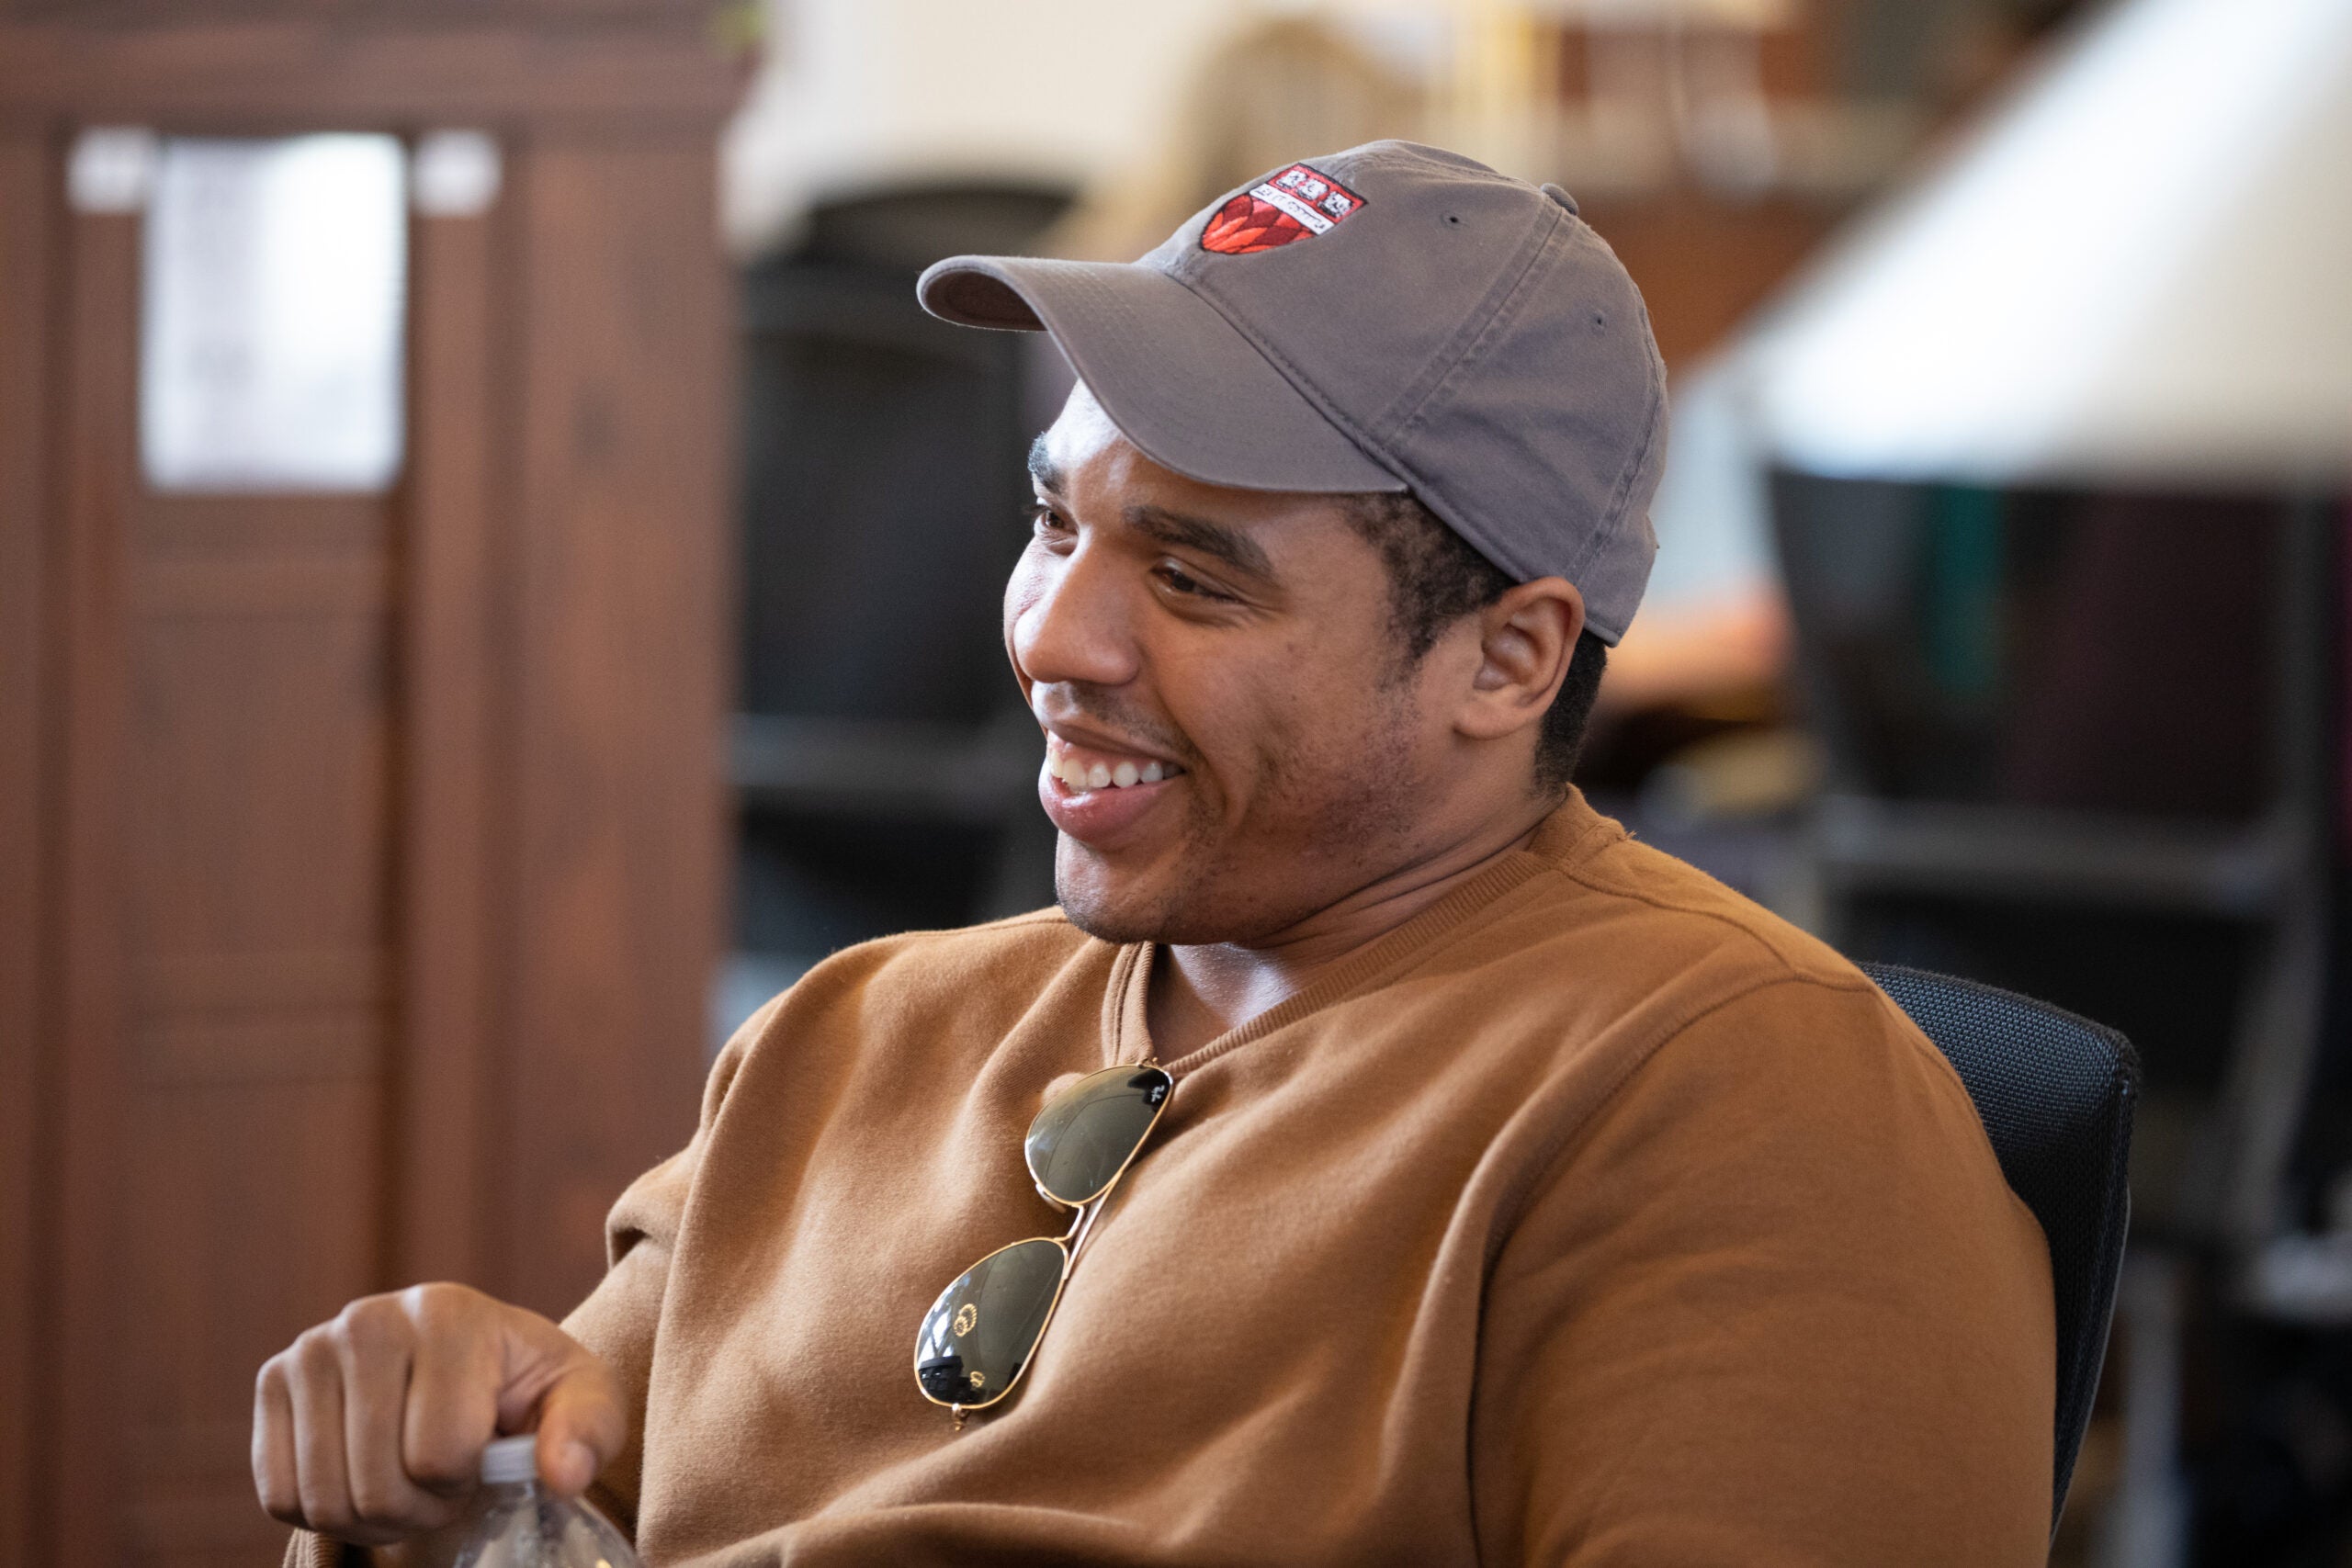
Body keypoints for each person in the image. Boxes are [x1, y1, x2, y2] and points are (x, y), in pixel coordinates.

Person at [257, 141, 2053, 1567]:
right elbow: (558, 1468)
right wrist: (435, 1455)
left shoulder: (1742, 1098)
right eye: (1054, 521)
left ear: (1506, 658)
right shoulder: (851, 1035)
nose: (1053, 636)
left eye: (1194, 577)